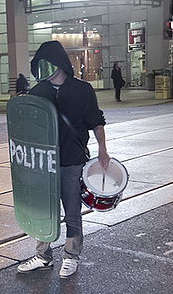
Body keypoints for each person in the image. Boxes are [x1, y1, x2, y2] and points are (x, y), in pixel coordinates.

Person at [18, 40, 110, 278]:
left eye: (44, 64)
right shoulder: (38, 92)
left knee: (71, 212)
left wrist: (102, 149)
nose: (41, 69)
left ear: (57, 64)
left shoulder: (83, 90)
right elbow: (28, 128)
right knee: (44, 211)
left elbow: (96, 122)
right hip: (44, 164)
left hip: (72, 161)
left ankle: (71, 256)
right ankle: (43, 255)